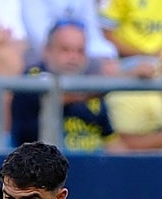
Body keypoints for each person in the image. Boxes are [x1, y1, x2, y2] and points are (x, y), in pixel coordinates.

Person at [11, 19, 119, 151]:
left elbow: (109, 138)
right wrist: (122, 78)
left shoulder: (91, 85)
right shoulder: (32, 78)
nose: (73, 57)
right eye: (65, 50)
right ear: (47, 50)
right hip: (41, 161)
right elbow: (53, 97)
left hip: (93, 160)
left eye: (80, 51)